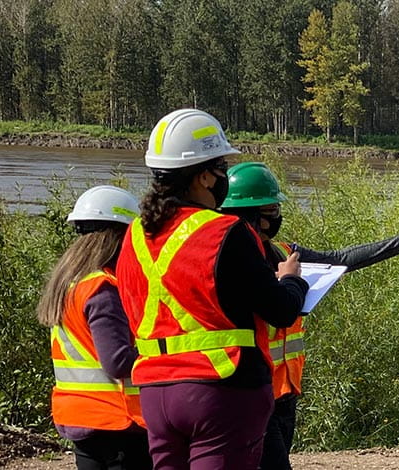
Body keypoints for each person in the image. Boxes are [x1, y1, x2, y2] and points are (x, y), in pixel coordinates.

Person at [114, 109, 309, 470]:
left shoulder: (135, 236)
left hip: (156, 392)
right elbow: (280, 310)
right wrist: (292, 279)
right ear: (203, 176)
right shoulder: (225, 232)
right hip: (221, 388)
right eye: (220, 168)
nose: (224, 177)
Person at [217, 161, 399, 470]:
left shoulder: (284, 252)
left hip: (286, 392)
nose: (278, 216)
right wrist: (286, 284)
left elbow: (340, 259)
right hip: (254, 390)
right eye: (272, 210)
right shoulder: (231, 265)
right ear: (249, 215)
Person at [37, 185, 150, 470]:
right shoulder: (102, 289)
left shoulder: (70, 284)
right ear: (122, 237)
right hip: (116, 423)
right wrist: (169, 356)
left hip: (82, 418)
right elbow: (118, 361)